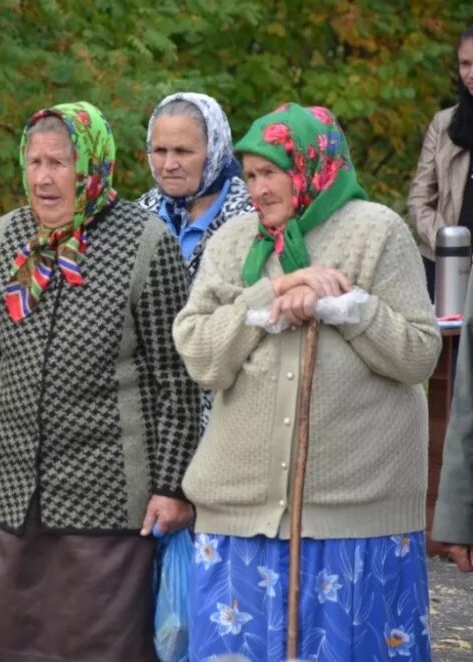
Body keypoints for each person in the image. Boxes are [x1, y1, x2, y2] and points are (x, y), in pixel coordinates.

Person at [174, 102, 440, 660]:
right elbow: (200, 355)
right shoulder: (232, 242)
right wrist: (272, 291)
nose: (258, 188)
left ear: (312, 165)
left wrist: (345, 307)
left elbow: (420, 354)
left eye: (271, 171)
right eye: (249, 175)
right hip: (239, 517)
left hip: (354, 517)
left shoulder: (377, 231)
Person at [0, 101, 200, 662]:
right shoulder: (4, 238)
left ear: (91, 165)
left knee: (97, 650)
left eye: (60, 163)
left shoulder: (145, 243)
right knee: (1, 648)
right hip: (16, 491)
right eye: (35, 161)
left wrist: (171, 486)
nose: (43, 177)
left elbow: (176, 380)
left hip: (108, 502)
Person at [137, 91, 255, 432]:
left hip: (226, 409)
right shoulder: (137, 217)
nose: (169, 164)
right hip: (152, 415)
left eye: (183, 151)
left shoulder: (251, 218)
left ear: (215, 150)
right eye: (160, 151)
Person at [408, 26, 473, 299]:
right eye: (465, 64)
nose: (471, 74)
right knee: (445, 342)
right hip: (444, 267)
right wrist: (452, 246)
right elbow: (418, 200)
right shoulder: (443, 124)